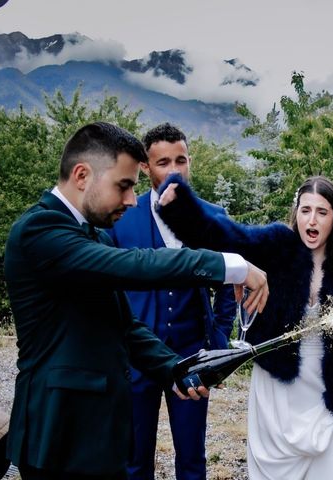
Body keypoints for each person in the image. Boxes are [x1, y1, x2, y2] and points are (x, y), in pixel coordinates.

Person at [3, 122, 268, 480]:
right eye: (123, 185)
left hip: (103, 433)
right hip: (61, 432)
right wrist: (229, 264)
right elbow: (136, 264)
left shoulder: (94, 234)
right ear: (82, 175)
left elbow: (123, 324)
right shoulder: (41, 230)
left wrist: (174, 370)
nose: (131, 200)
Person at [157, 174, 333, 480]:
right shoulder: (278, 246)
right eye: (305, 210)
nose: (312, 220)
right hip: (278, 388)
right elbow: (228, 237)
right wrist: (181, 208)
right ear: (297, 213)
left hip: (331, 389)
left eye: (322, 212)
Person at [107, 123, 236, 480]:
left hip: (192, 354)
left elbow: (229, 284)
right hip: (135, 357)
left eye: (182, 160)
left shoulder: (214, 216)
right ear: (146, 168)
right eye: (163, 162)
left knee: (192, 457)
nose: (174, 170)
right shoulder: (121, 217)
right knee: (134, 459)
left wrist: (220, 336)